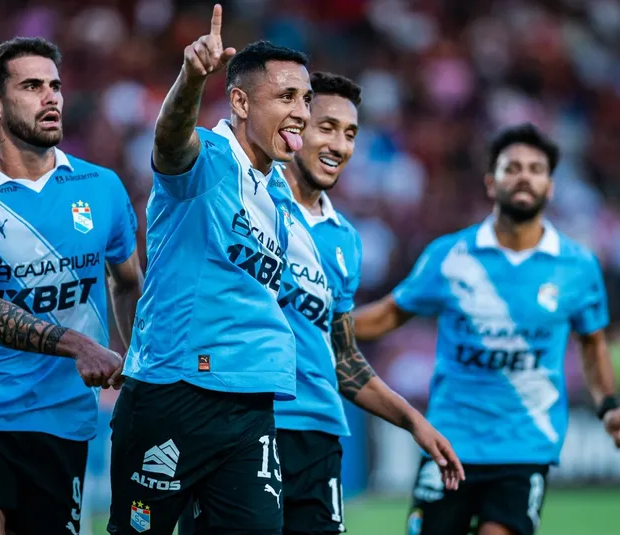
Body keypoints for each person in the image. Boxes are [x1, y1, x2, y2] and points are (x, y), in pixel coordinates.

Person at [178, 71, 465, 535]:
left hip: (319, 435)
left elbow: (343, 358)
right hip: (243, 423)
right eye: (326, 127)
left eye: (350, 133)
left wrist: (415, 423)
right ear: (293, 126)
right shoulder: (243, 202)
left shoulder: (346, 240)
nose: (340, 145)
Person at [352, 123, 620, 535]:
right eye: (512, 167)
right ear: (491, 183)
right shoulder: (450, 255)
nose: (524, 176)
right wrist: (321, 322)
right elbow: (388, 315)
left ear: (550, 186)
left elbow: (592, 343)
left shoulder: (578, 266)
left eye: (535, 169)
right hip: (448, 439)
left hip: (525, 445)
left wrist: (608, 405)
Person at [107, 5, 310, 535]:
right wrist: (191, 78)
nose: (301, 112)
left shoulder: (278, 193)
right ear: (240, 101)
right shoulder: (209, 158)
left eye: (306, 99)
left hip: (251, 400)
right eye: (287, 97)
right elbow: (170, 141)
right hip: (176, 391)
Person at [0, 37, 142, 535]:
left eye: (55, 86)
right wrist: (80, 345)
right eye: (31, 86)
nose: (51, 97)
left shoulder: (101, 187)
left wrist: (137, 367)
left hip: (62, 414)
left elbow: (129, 282)